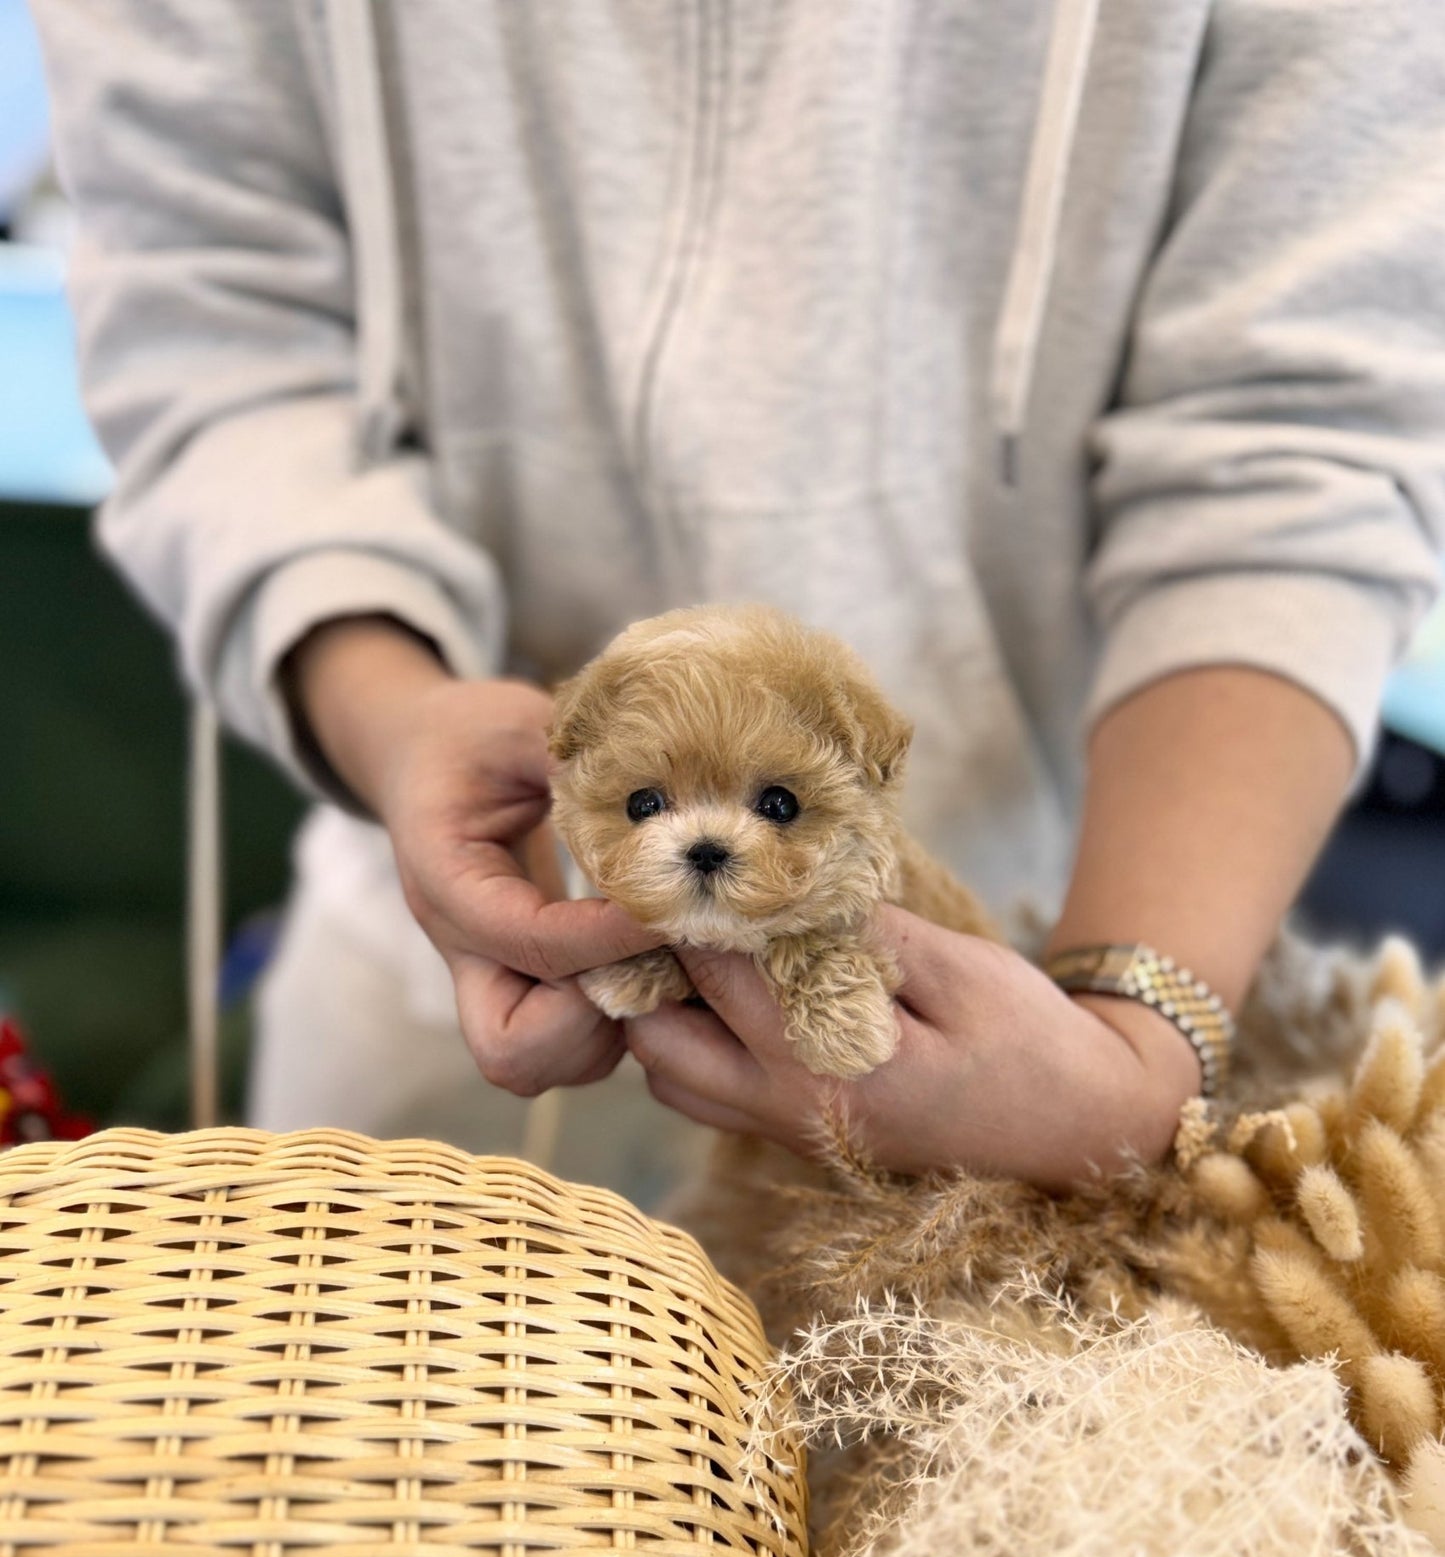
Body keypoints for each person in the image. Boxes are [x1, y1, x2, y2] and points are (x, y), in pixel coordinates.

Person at [31, 2, 1445, 1189]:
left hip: (1051, 945)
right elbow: (212, 319)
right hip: (438, 985)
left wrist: (1132, 1026)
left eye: (767, 805)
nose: (704, 846)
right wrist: (394, 716)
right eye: (655, 805)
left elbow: (1299, 428)